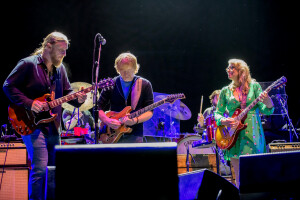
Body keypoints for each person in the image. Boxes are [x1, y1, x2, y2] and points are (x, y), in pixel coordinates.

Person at [3, 31, 87, 200]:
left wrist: (78, 99)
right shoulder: (28, 64)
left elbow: (67, 92)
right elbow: (8, 86)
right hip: (31, 123)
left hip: (53, 125)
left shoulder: (60, 68)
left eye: (65, 51)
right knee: (40, 169)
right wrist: (29, 103)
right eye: (61, 50)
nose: (64, 54)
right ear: (48, 46)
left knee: (55, 169)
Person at [214, 58, 274, 187]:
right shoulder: (225, 90)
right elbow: (217, 113)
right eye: (227, 67)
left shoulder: (255, 86)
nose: (228, 70)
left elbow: (267, 111)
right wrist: (224, 120)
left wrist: (268, 102)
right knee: (239, 175)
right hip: (232, 133)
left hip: (252, 131)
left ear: (241, 70)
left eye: (231, 68)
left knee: (255, 172)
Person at [98, 52, 154, 143]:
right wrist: (107, 120)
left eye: (129, 69)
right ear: (118, 69)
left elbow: (150, 111)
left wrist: (135, 120)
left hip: (135, 134)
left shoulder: (144, 84)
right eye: (122, 70)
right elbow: (98, 107)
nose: (126, 73)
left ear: (135, 68)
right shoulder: (111, 83)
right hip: (112, 134)